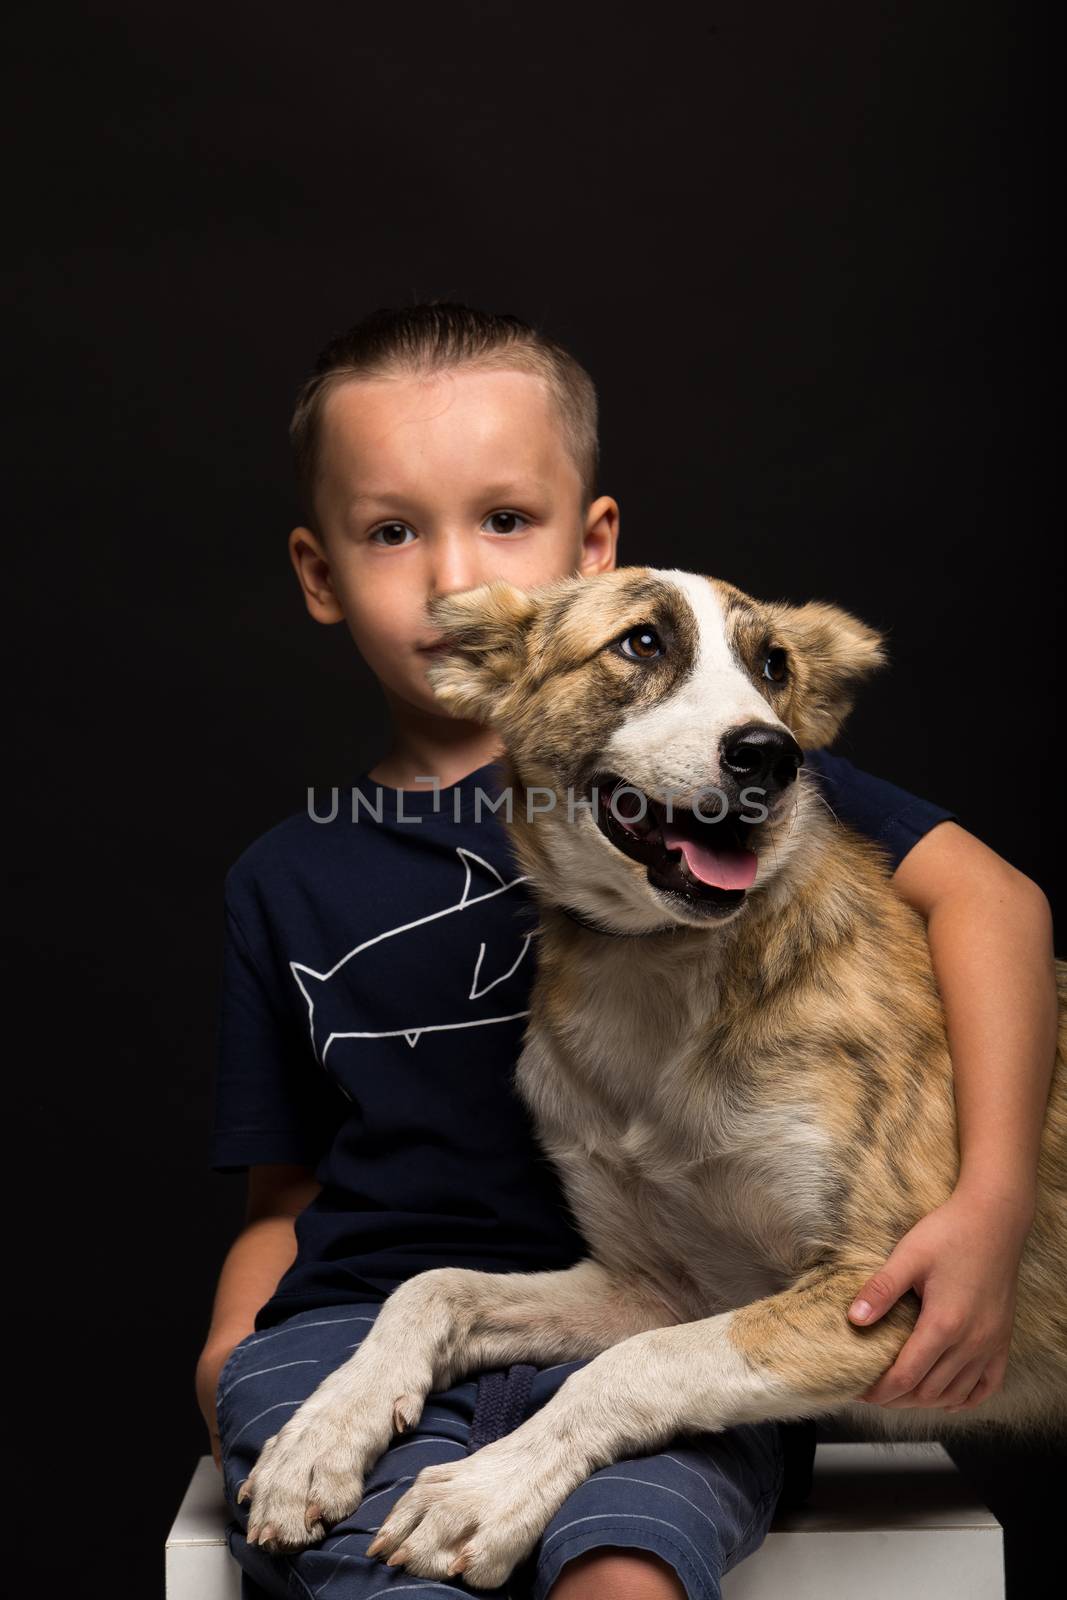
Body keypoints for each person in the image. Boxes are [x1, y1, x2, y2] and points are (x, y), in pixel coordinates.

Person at [195, 302, 1057, 1600]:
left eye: (503, 521)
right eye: (393, 531)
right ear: (321, 572)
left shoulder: (757, 783)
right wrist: (232, 1353)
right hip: (437, 1315)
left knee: (624, 1561)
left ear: (591, 543)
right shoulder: (298, 874)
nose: (458, 583)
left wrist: (990, 1205)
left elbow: (995, 900)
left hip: (734, 1322)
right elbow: (287, 1194)